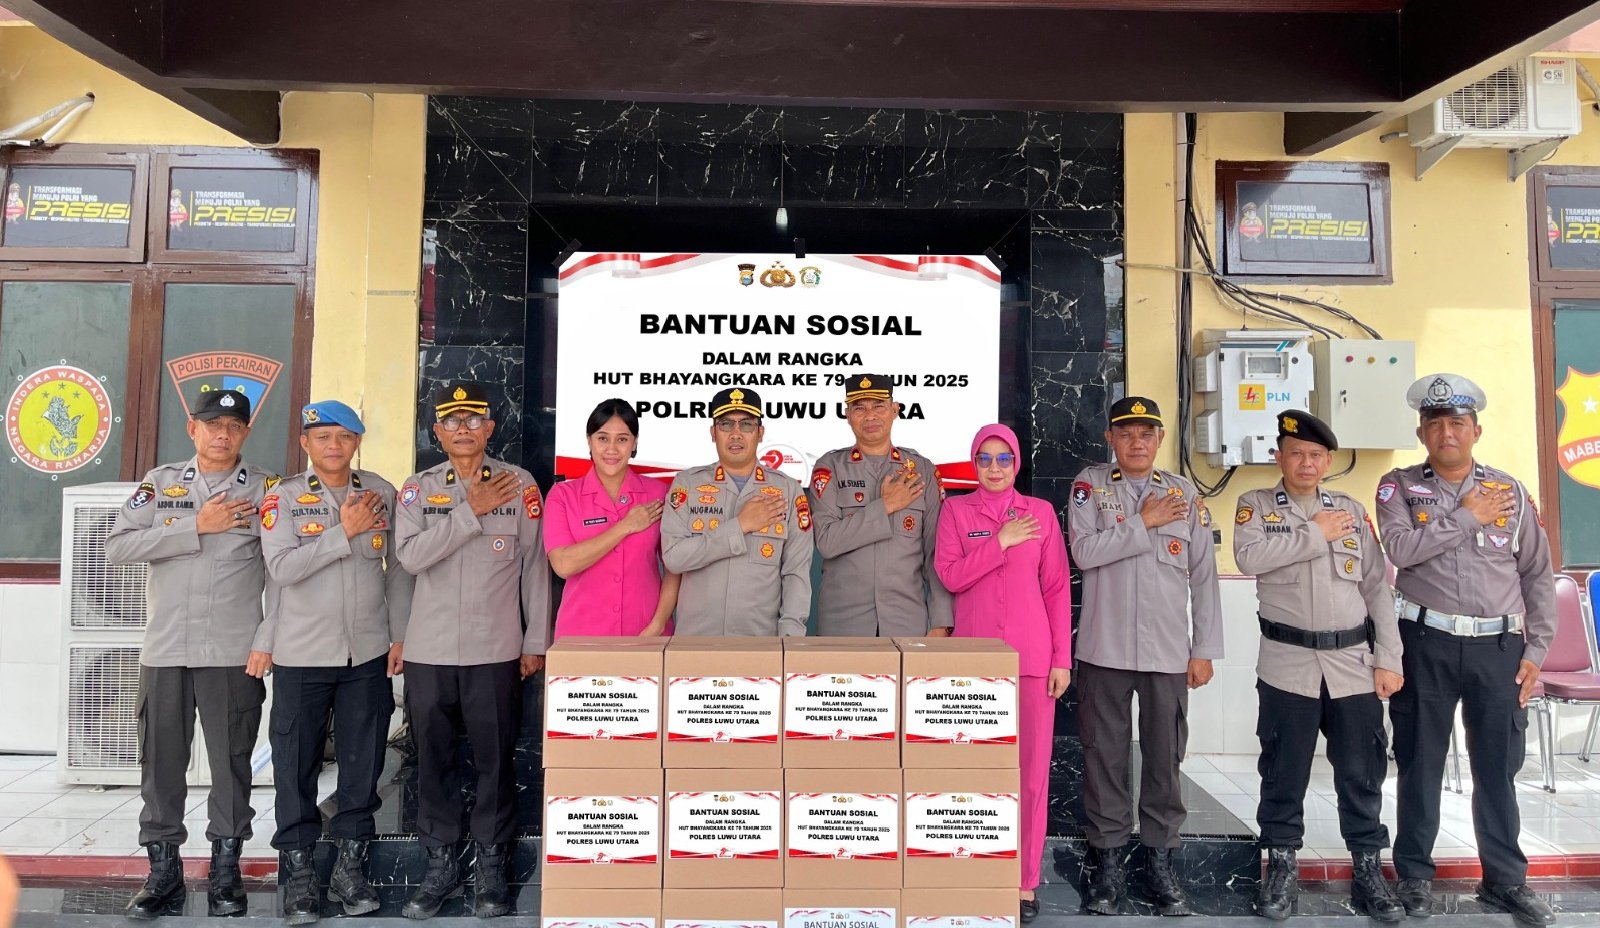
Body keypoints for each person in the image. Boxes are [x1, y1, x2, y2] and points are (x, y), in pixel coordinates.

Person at [1375, 374, 1557, 926]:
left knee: (1497, 768)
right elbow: (1401, 549)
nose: (1447, 433)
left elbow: (1537, 574)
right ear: (1421, 433)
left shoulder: (1510, 492)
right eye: (1435, 424)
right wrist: (1466, 517)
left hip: (1499, 648)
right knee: (1420, 763)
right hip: (1424, 642)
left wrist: (1537, 650)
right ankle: (1414, 876)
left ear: (1476, 430)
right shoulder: (1399, 487)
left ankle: (1505, 880)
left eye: (1457, 423)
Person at [106, 388, 277, 920]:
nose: (222, 434)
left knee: (231, 764)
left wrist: (267, 638)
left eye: (233, 426)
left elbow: (282, 573)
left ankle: (226, 871)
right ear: (192, 428)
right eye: (213, 424)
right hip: (166, 648)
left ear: (245, 433)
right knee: (161, 765)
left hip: (232, 650)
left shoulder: (268, 490)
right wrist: (193, 526)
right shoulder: (160, 485)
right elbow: (117, 547)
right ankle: (164, 875)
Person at [1233, 411, 1403, 922]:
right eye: (1296, 454)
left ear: (1328, 461)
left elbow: (1376, 588)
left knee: (1361, 772)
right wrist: (1315, 532)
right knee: (1283, 773)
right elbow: (1249, 559)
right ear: (1278, 457)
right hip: (1287, 665)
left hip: (1353, 665)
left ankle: (1369, 871)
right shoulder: (1256, 506)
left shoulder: (1350, 511)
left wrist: (1389, 658)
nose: (1306, 463)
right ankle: (1282, 870)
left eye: (1315, 455)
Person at [249, 401, 415, 924]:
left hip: (366, 650)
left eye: (344, 436)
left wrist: (399, 633)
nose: (334, 446)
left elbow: (399, 569)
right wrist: (342, 532)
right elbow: (281, 568)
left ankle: (349, 866)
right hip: (302, 652)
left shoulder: (380, 492)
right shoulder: (282, 498)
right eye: (323, 437)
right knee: (295, 763)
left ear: (357, 442)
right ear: (306, 443)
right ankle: (299, 873)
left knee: (363, 763)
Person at [394, 383, 552, 920]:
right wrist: (469, 511)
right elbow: (410, 557)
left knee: (495, 761)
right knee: (433, 760)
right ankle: (439, 864)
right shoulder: (417, 490)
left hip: (496, 648)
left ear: (490, 428)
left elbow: (534, 566)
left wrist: (535, 641)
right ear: (437, 433)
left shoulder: (519, 484)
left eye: (472, 420)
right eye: (451, 421)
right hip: (430, 649)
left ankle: (491, 867)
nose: (462, 429)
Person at [1066, 396, 1222, 917]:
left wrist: (1204, 649)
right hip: (1105, 649)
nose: (1137, 442)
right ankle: (1107, 866)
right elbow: (1083, 553)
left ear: (1159, 439)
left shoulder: (1183, 493)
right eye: (1126, 432)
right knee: (1104, 759)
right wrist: (1144, 523)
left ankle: (1160, 862)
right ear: (1110, 438)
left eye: (1146, 433)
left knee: (1164, 760)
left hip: (1168, 653)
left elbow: (1204, 577)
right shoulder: (1090, 486)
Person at [934, 423, 1072, 924]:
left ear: (1017, 463)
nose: (994, 468)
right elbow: (950, 575)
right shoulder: (955, 511)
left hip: (1031, 662)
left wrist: (1061, 659)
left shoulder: (1039, 513)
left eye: (1004, 458)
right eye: (985, 459)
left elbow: (1056, 587)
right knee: (969, 773)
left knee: (1030, 778)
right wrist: (999, 542)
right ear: (974, 464)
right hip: (973, 666)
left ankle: (1024, 883)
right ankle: (972, 872)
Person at [809, 374, 953, 637]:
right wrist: (884, 506)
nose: (870, 416)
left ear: (894, 410)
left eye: (879, 406)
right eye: (859, 408)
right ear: (847, 414)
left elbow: (936, 553)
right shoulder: (830, 468)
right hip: (843, 622)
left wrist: (941, 621)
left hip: (907, 620)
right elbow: (827, 542)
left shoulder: (922, 470)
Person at [660, 388, 813, 636]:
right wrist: (740, 526)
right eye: (726, 424)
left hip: (761, 641)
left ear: (760, 433)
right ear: (713, 432)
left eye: (746, 424)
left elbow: (796, 571)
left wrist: (790, 638)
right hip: (695, 641)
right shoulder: (687, 484)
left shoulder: (787, 490)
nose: (735, 434)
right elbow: (674, 558)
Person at [544, 398, 678, 637]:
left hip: (645, 632)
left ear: (635, 442)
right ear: (589, 441)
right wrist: (625, 526)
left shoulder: (658, 493)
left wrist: (657, 625)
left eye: (622, 439)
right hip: (581, 634)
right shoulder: (563, 495)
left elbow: (675, 567)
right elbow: (563, 565)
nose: (612, 449)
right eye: (603, 438)